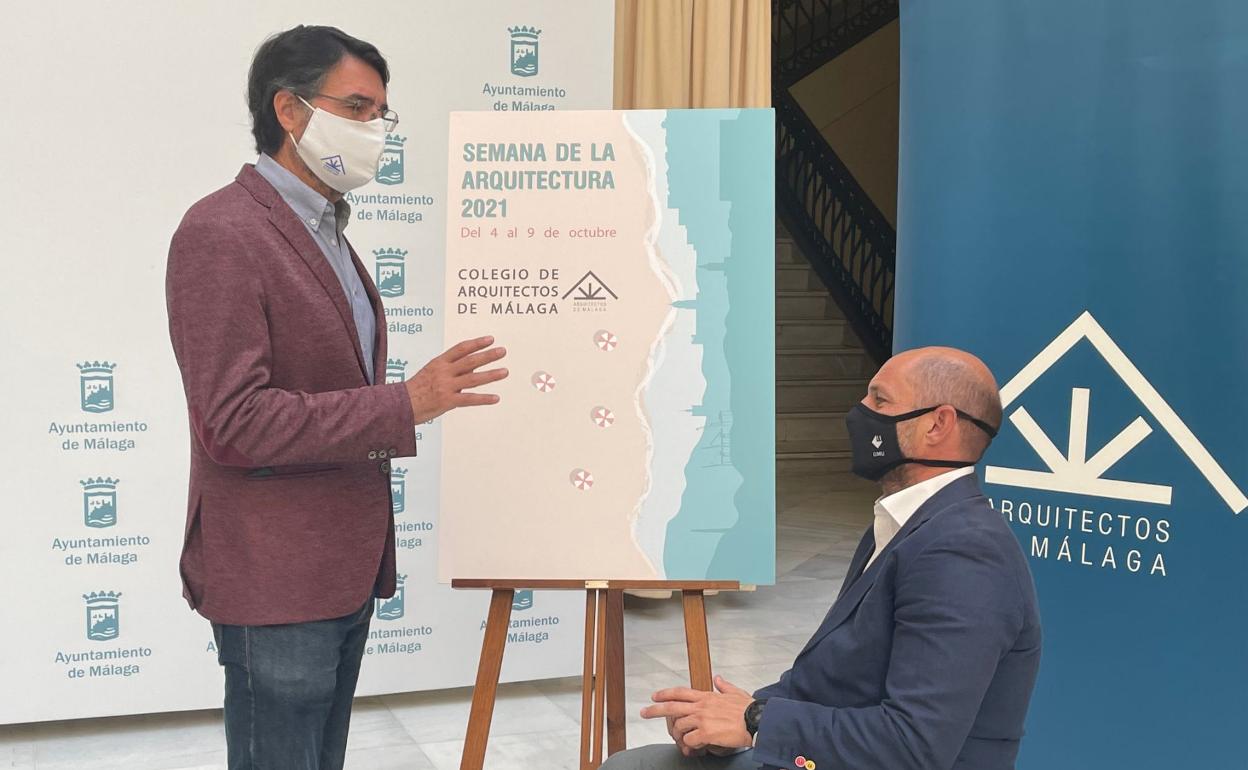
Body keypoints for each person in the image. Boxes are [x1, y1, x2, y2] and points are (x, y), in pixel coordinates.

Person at [165, 25, 508, 769]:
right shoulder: (221, 231)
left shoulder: (328, 234)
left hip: (340, 567)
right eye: (356, 108)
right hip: (275, 574)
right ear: (289, 110)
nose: (375, 129)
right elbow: (233, 421)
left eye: (382, 113)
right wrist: (405, 404)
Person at [604, 347, 1042, 770]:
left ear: (937, 424)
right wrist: (734, 717)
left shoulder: (963, 553)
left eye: (879, 400)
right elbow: (831, 680)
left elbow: (914, 747)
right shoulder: (906, 525)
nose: (859, 411)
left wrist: (756, 723)